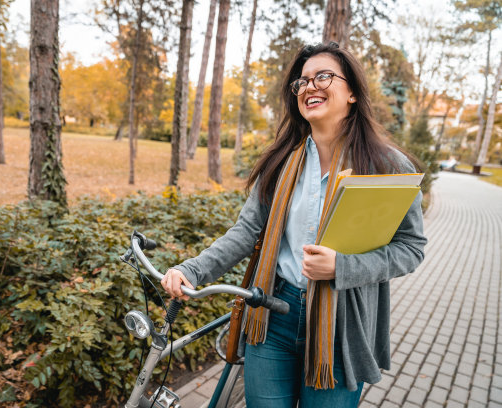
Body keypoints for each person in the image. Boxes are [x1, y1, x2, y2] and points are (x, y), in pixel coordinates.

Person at [161, 42, 427, 408]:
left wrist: (342, 267)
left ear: (351, 93)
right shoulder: (282, 161)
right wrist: (192, 268)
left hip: (341, 325)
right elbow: (246, 231)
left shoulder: (387, 165)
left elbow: (411, 248)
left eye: (323, 76)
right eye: (301, 82)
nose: (309, 87)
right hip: (272, 314)